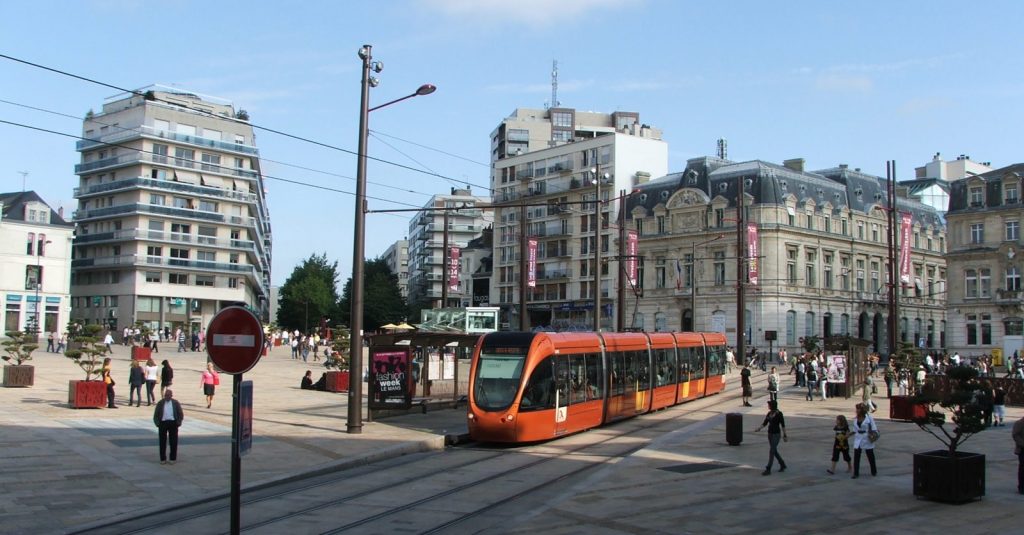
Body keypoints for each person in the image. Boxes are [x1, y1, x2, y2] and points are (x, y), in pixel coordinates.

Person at [754, 400, 787, 475]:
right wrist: (759, 428)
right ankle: (782, 464)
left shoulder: (779, 414)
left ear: (772, 406)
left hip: (776, 434)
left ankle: (768, 468)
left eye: (769, 405)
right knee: (774, 450)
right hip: (770, 434)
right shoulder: (769, 413)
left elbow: (783, 425)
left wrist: (785, 435)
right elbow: (765, 423)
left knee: (772, 450)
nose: (768, 406)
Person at [153, 389, 184, 465]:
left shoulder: (175, 403)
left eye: (168, 395)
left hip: (173, 423)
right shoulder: (160, 403)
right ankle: (162, 458)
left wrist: (178, 422)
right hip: (163, 423)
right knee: (162, 442)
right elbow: (155, 415)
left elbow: (180, 414)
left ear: (171, 396)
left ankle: (172, 458)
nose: (167, 397)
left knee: (173, 442)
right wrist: (158, 423)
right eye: (166, 395)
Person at [850, 403, 879, 478]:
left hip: (867, 437)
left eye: (858, 409)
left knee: (870, 455)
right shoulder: (856, 419)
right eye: (857, 409)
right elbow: (855, 429)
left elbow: (874, 428)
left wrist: (873, 435)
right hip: (858, 438)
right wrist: (848, 435)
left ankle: (874, 471)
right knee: (856, 456)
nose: (857, 410)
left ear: (862, 410)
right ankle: (856, 473)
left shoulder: (869, 418)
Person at [1013, 415, 1024, 494]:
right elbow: (1015, 435)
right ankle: (1022, 487)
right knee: (1023, 468)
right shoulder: (1019, 423)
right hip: (1023, 449)